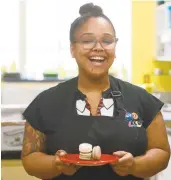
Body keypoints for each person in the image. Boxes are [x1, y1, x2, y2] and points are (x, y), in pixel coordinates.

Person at [21, 3, 170, 180]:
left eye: (107, 41)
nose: (98, 47)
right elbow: (30, 158)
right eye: (87, 40)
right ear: (72, 49)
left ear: (115, 47)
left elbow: (161, 152)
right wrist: (56, 164)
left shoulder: (142, 100)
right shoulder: (46, 103)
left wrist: (134, 165)